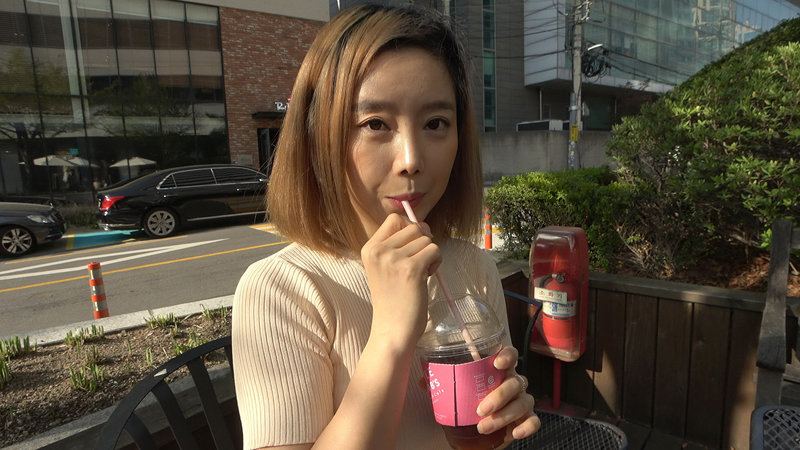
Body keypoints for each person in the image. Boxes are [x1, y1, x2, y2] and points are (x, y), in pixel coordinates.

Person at [232, 4, 540, 449]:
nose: (411, 159)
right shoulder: (282, 290)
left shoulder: (473, 268)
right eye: (375, 124)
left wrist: (494, 429)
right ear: (319, 138)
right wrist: (393, 333)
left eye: (436, 123)